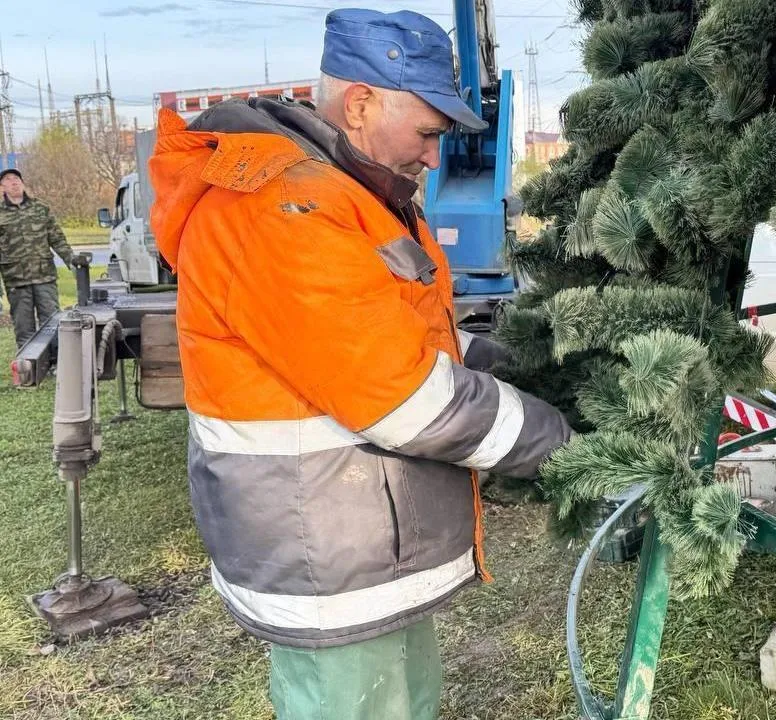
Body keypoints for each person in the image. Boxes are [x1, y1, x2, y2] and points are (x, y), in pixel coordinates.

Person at [148, 9, 572, 719]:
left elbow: (390, 334)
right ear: (362, 103)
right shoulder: (283, 210)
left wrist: (503, 359)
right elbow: (403, 396)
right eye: (430, 133)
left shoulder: (348, 196)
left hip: (365, 549)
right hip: (325, 559)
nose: (435, 159)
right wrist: (557, 437)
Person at [0, 168, 87, 347]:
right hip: (16, 280)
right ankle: (29, 367)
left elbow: (57, 238)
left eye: (16, 178)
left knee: (52, 322)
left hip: (44, 277)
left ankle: (56, 362)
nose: (14, 182)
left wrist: (71, 260)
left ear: (23, 183)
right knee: (24, 327)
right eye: (8, 180)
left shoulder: (40, 208)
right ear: (2, 188)